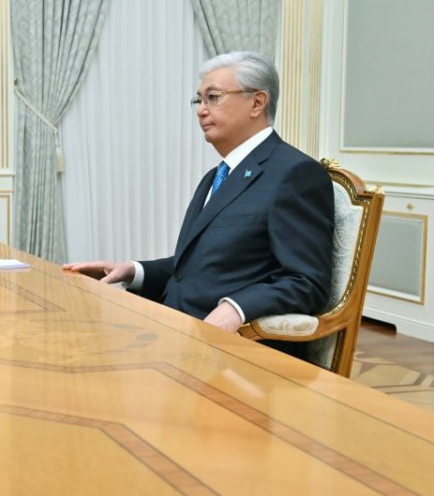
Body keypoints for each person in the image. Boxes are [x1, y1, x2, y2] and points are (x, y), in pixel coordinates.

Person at [64, 51, 333, 343]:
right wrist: (133, 271)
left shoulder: (295, 173)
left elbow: (306, 282)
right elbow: (196, 269)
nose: (201, 110)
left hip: (232, 347)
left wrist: (237, 308)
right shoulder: (217, 176)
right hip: (176, 330)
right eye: (199, 100)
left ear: (257, 102)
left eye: (213, 97)